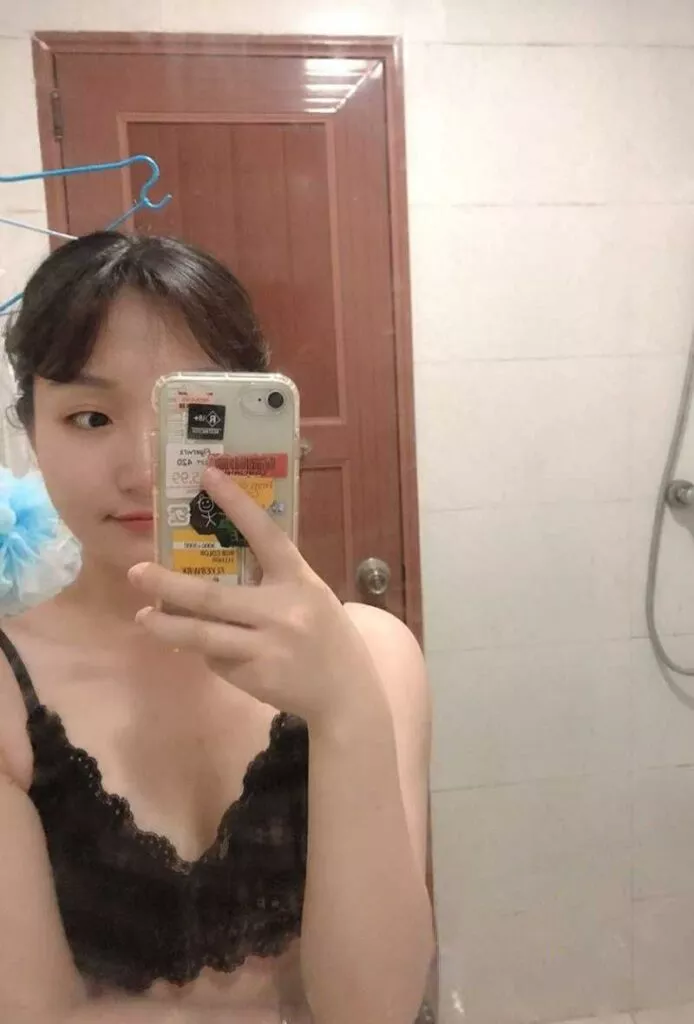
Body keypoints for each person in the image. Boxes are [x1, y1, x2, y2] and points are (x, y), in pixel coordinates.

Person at [0, 232, 434, 1024]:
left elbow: (377, 1007)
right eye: (90, 417)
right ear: (32, 430)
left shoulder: (374, 656)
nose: (143, 469)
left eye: (194, 419)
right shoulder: (5, 694)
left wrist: (345, 707)